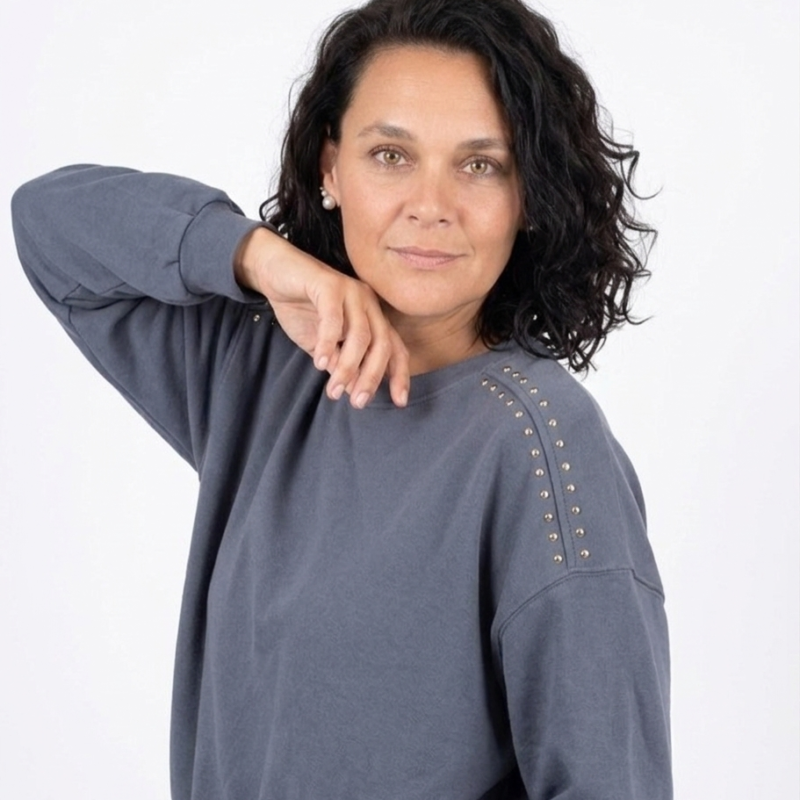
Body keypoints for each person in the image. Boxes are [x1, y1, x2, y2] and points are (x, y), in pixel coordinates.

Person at [11, 0, 672, 797]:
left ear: (529, 195)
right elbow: (49, 223)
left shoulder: (545, 449)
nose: (430, 205)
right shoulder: (260, 364)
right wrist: (260, 261)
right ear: (331, 169)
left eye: (480, 165)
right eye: (391, 155)